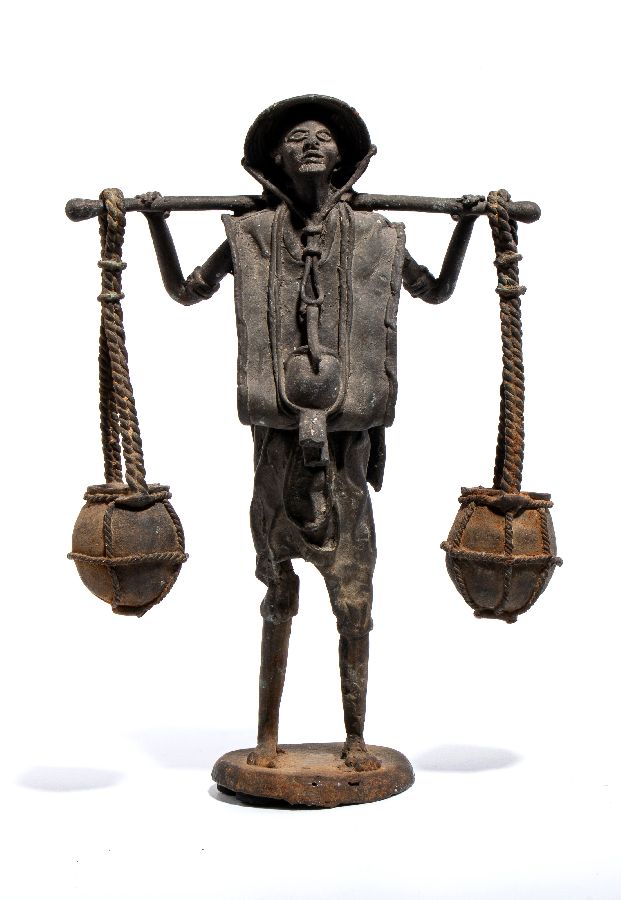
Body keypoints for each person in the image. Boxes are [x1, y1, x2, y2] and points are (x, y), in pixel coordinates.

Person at [140, 95, 477, 772]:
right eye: (297, 137)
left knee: (355, 601)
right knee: (276, 595)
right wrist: (154, 225)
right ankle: (265, 739)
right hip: (277, 453)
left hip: (348, 458)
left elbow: (436, 290)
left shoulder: (377, 235)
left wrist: (467, 227)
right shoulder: (252, 234)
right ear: (274, 158)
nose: (312, 143)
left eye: (323, 136)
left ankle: (356, 739)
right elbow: (186, 291)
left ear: (346, 157)